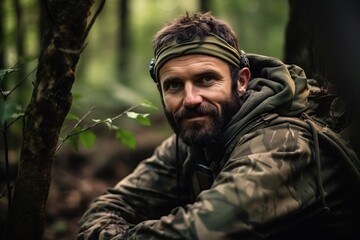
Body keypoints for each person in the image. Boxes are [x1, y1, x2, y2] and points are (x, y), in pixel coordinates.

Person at [78, 12, 360, 239]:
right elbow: (110, 205)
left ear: (241, 81)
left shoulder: (282, 144)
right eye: (174, 85)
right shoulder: (191, 141)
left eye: (206, 80)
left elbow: (197, 232)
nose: (190, 99)